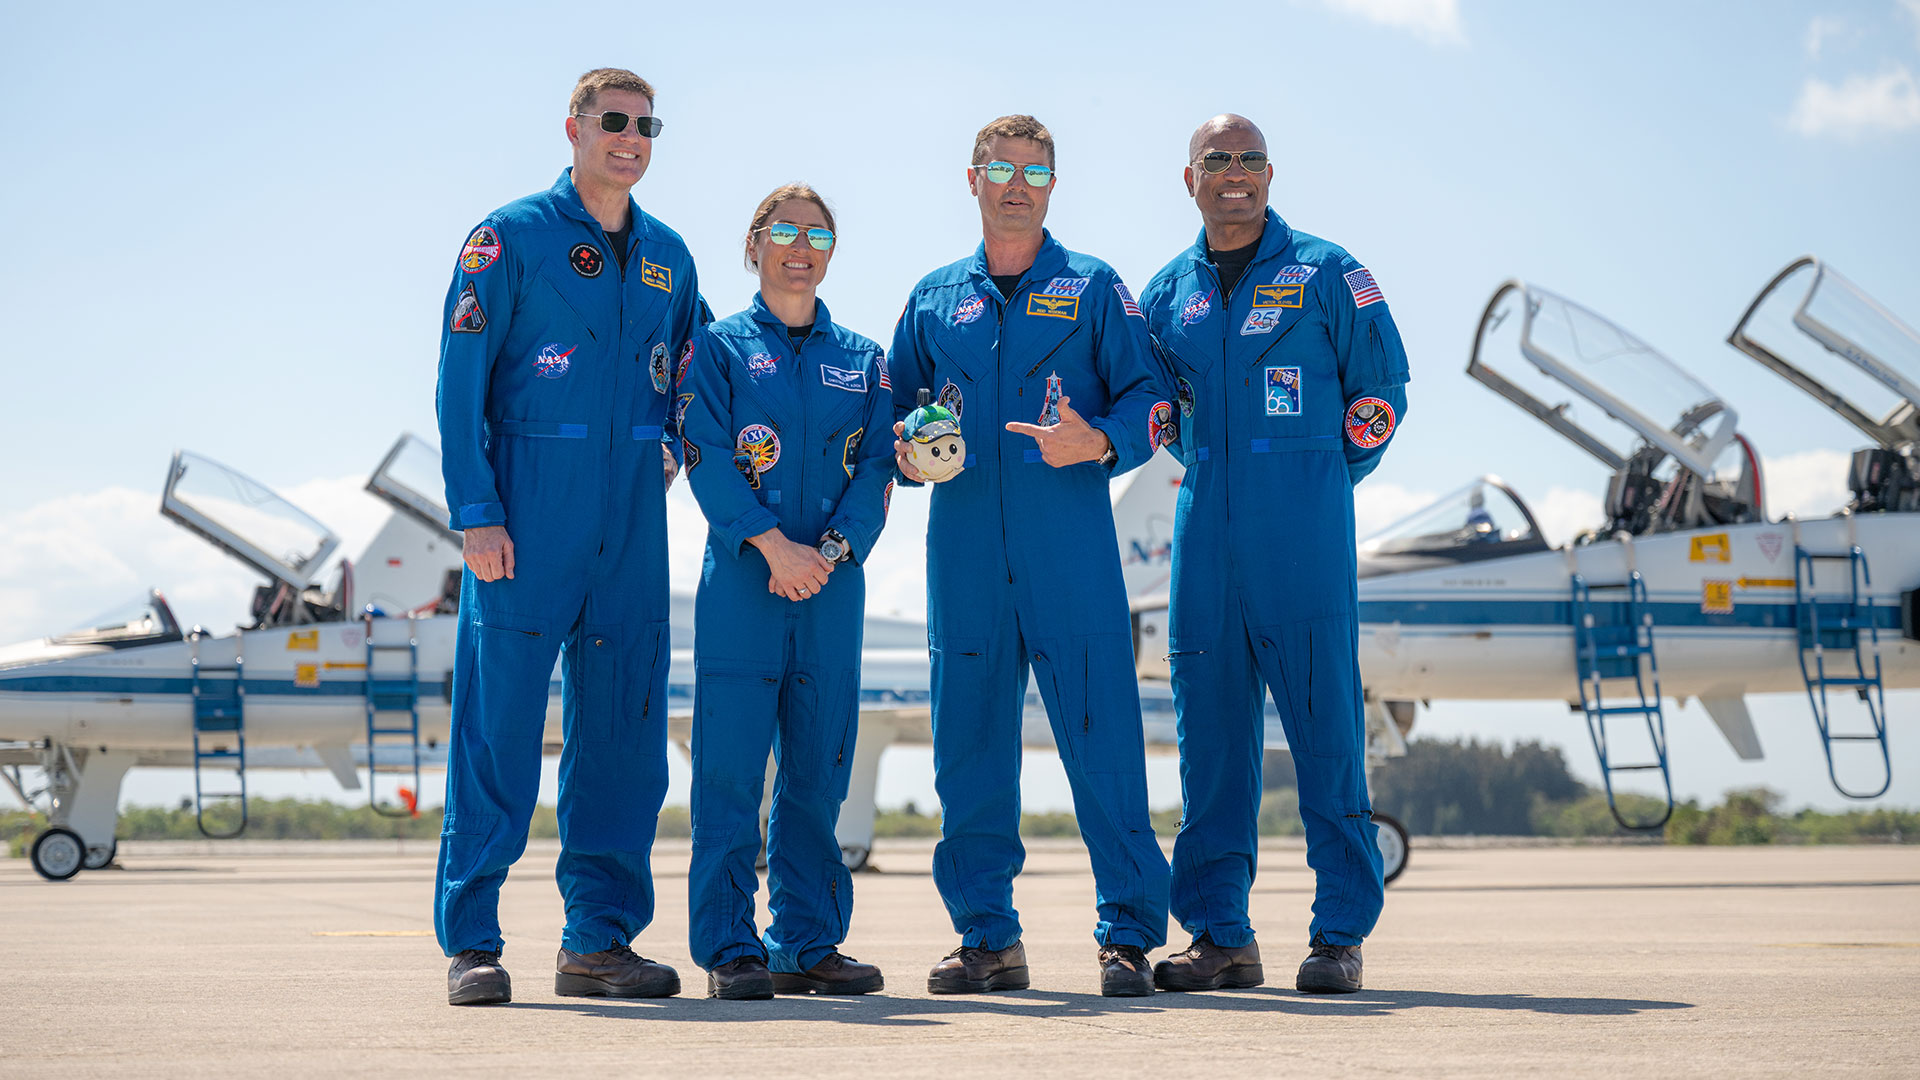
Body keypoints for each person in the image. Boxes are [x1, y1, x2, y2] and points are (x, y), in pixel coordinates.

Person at [433, 68, 704, 1006]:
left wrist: (677, 448)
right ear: (576, 129)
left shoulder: (670, 253)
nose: (631, 138)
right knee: (498, 730)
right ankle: (472, 941)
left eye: (646, 125)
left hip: (630, 521)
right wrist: (476, 510)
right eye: (615, 122)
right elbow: (458, 380)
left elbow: (699, 374)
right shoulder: (506, 239)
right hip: (525, 512)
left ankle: (599, 942)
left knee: (625, 735)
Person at [889, 115, 1173, 998]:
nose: (1018, 184)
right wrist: (906, 446)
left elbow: (1154, 399)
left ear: (1053, 185)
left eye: (1035, 171)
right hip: (965, 554)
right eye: (1002, 168)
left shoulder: (1093, 289)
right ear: (970, 178)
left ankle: (1127, 935)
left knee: (1104, 744)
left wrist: (1096, 443)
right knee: (968, 747)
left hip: (1072, 555)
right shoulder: (934, 298)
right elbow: (891, 414)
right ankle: (987, 939)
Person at [1141, 114, 1411, 995]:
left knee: (1327, 736)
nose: (1235, 174)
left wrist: (1321, 478)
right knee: (1210, 747)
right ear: (1190, 179)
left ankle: (1339, 935)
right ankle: (1220, 936)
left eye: (1251, 160)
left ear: (1269, 174)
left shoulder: (1331, 273)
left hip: (1303, 536)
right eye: (1217, 160)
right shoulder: (1164, 293)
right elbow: (1160, 415)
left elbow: (1382, 393)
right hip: (1202, 534)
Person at [679, 185, 895, 1000]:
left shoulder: (865, 359)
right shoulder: (720, 349)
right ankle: (731, 946)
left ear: (830, 251)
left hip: (831, 591)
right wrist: (773, 546)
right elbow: (702, 449)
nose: (800, 247)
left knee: (818, 772)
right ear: (755, 243)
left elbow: (878, 466)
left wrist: (828, 553)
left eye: (816, 234)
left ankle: (805, 942)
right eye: (784, 232)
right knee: (730, 776)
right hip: (744, 582)